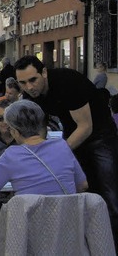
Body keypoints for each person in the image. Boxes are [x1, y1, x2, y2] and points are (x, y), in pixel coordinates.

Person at [14, 55, 118, 247]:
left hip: (100, 134)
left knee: (110, 195)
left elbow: (86, 127)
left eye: (33, 80)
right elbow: (39, 129)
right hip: (73, 134)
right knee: (79, 193)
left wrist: (56, 153)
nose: (29, 87)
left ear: (44, 72)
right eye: (22, 83)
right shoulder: (30, 94)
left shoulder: (67, 82)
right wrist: (36, 152)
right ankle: (87, 244)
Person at [0, 100, 88, 197]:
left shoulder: (11, 155)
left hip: (31, 218)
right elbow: (83, 185)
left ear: (15, 131)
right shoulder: (62, 146)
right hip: (66, 218)